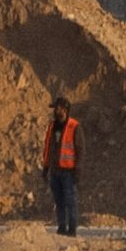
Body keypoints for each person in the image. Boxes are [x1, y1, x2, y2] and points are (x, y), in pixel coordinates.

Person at [43, 97, 81, 237]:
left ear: (64, 110)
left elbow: (80, 151)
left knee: (70, 200)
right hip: (55, 170)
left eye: (57, 108)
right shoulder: (52, 127)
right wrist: (45, 168)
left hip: (69, 171)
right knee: (59, 201)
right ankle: (61, 227)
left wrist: (78, 170)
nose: (55, 111)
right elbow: (48, 148)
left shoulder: (74, 126)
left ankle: (72, 228)